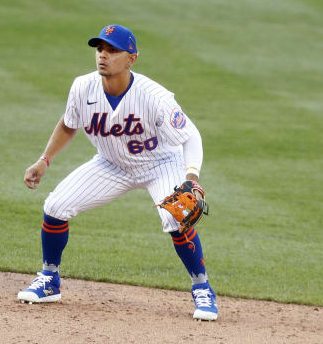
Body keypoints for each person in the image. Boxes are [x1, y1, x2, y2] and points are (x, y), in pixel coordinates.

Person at [18, 24, 218, 321]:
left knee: (177, 215)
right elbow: (68, 123)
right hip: (111, 163)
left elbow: (190, 136)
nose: (103, 56)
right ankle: (49, 280)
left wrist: (191, 177)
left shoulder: (154, 97)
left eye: (113, 50)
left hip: (160, 163)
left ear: (131, 58)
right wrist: (44, 159)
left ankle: (202, 289)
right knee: (56, 206)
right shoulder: (82, 87)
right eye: (100, 49)